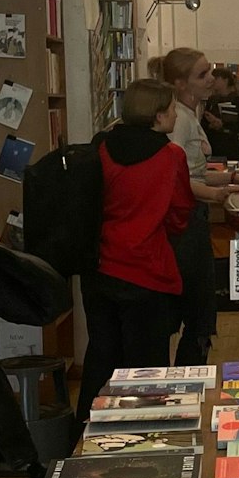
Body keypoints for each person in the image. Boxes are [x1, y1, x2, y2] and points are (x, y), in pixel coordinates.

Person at [77, 79, 196, 423]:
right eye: (172, 109)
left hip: (100, 269)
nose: (176, 115)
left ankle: (83, 440)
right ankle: (144, 442)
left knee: (101, 358)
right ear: (158, 116)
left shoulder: (100, 147)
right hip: (147, 271)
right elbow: (178, 215)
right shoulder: (171, 156)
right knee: (147, 372)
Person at [149, 49, 239, 366]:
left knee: (199, 308)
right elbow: (176, 178)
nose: (212, 79)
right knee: (198, 310)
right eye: (202, 75)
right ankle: (186, 377)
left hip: (190, 217)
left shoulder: (191, 114)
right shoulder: (177, 120)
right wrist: (216, 194)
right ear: (180, 84)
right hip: (182, 223)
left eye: (211, 72)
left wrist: (228, 178)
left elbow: (191, 170)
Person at [202, 65, 239, 162]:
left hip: (229, 145)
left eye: (216, 78)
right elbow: (203, 125)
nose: (213, 81)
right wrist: (211, 124)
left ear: (225, 80)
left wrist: (222, 124)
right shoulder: (212, 99)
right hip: (213, 144)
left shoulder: (235, 99)